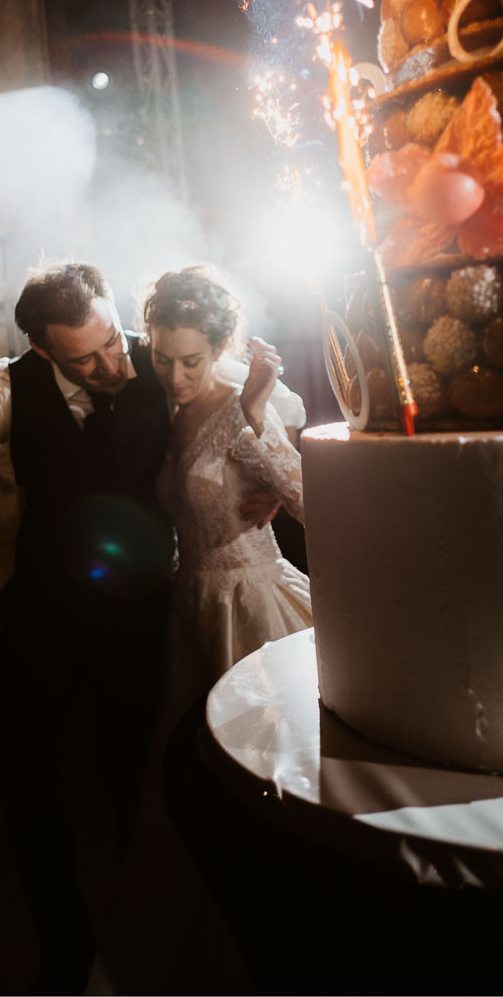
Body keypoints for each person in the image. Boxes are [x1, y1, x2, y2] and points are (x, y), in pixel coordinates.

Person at [0, 261, 297, 992]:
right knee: (25, 784)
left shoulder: (160, 356)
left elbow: (263, 400)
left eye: (114, 339)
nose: (115, 361)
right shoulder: (6, 386)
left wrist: (262, 476)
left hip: (143, 616)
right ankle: (64, 946)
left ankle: (142, 942)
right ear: (45, 351)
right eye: (88, 356)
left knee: (133, 783)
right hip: (44, 616)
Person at [143, 267, 310, 709]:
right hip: (190, 606)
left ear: (219, 349)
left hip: (249, 606)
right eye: (162, 358)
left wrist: (257, 414)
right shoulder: (168, 408)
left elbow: (316, 508)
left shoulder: (243, 413)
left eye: (191, 362)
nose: (174, 376)